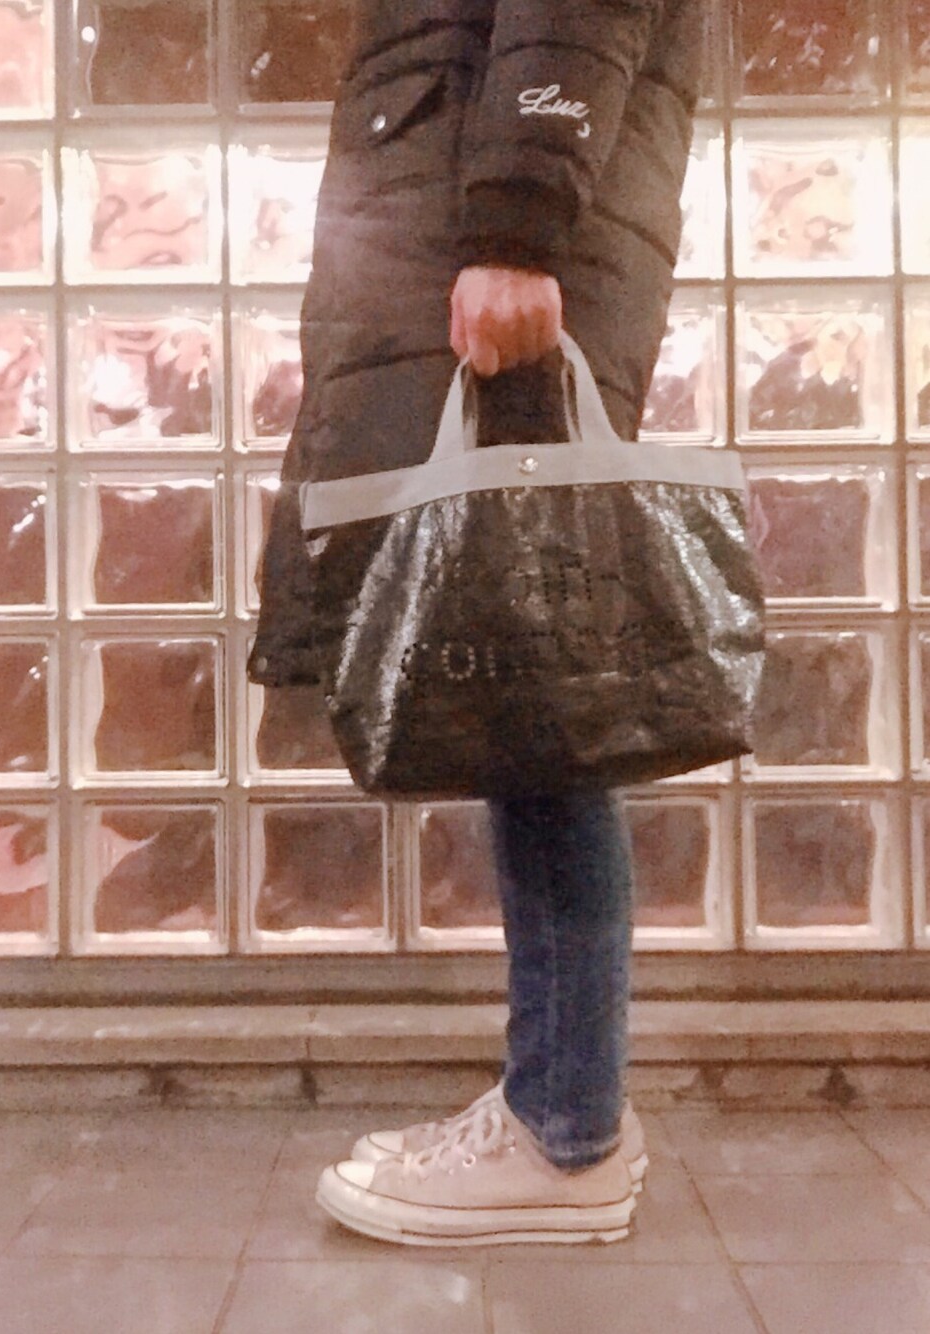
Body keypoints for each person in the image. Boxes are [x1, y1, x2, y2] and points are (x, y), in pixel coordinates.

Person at [247, 0, 705, 1246]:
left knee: (542, 708)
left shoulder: (513, 227)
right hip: (493, 240)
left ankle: (565, 1132)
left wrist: (515, 225)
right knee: (528, 699)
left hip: (507, 252)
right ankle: (560, 1101)